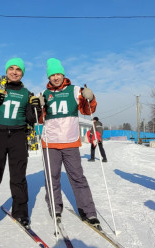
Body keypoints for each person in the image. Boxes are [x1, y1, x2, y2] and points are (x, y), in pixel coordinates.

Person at [0, 58, 41, 230]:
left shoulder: (27, 93)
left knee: (18, 177)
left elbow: (32, 119)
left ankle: (21, 213)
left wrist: (37, 108)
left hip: (18, 136)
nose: (14, 72)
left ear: (22, 73)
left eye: (18, 69)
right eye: (11, 68)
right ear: (6, 71)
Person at [38, 58, 101, 229]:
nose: (55, 77)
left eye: (58, 74)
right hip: (50, 143)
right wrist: (38, 107)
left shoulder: (75, 90)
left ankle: (89, 212)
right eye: (52, 75)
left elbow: (87, 110)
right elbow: (39, 119)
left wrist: (91, 97)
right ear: (49, 77)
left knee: (77, 177)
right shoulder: (44, 94)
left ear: (63, 74)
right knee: (52, 178)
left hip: (70, 141)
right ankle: (55, 208)